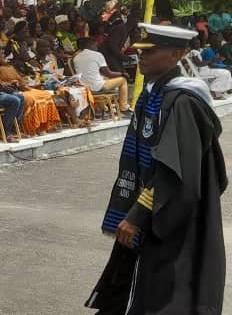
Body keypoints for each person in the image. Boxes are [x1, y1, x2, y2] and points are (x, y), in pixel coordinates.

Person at [87, 23, 226, 314]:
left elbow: (174, 170)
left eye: (151, 51)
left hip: (170, 216)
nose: (142, 57)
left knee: (168, 293)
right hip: (150, 208)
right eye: (140, 51)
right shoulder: (154, 94)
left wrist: (137, 214)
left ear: (176, 54)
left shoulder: (184, 101)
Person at [0, 44, 62, 136]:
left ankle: (45, 125)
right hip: (8, 91)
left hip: (20, 88)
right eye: (1, 53)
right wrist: (14, 84)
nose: (3, 55)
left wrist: (21, 83)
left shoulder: (8, 66)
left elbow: (20, 79)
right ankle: (31, 127)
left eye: (3, 53)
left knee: (45, 94)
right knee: (30, 98)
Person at [73, 37, 132, 112]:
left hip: (85, 87)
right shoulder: (97, 55)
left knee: (105, 78)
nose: (97, 48)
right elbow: (109, 73)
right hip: (96, 86)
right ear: (90, 45)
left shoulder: (76, 57)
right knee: (123, 80)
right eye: (95, 46)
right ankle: (123, 106)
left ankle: (105, 107)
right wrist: (123, 74)